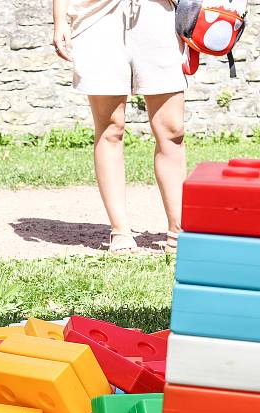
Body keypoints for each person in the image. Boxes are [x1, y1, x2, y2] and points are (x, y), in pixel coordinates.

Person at [52, 0, 187, 253]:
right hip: (97, 16)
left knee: (172, 130)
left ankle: (178, 232)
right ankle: (120, 231)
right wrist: (59, 20)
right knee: (110, 128)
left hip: (157, 13)